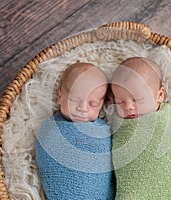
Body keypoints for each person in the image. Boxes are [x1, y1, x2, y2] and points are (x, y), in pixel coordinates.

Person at [111, 57, 171, 200]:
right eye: (120, 101)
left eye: (137, 99)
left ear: (159, 95)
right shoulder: (121, 127)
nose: (128, 107)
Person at [35, 63, 115, 200]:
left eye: (93, 104)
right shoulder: (50, 128)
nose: (82, 108)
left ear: (102, 105)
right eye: (74, 99)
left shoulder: (102, 132)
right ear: (60, 95)